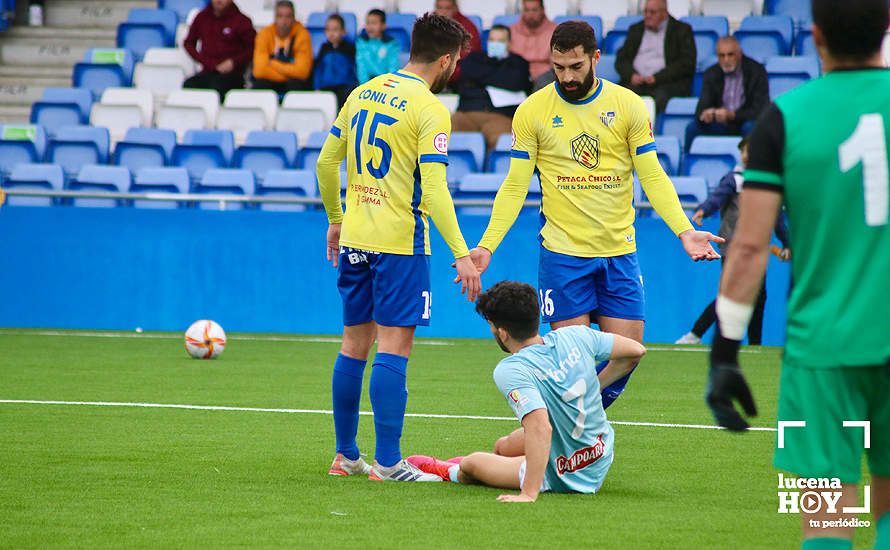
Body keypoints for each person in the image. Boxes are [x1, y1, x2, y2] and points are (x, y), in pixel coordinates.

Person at [705, 1, 889, 549]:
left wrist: (725, 354)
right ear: (885, 30)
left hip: (822, 348)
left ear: (815, 36)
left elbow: (751, 245)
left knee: (828, 522)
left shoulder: (784, 118)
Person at [469, 21, 722, 410]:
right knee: (577, 366)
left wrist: (684, 230)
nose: (567, 76)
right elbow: (515, 184)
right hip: (563, 255)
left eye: (575, 66)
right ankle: (568, 439)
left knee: (631, 352)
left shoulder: (628, 105)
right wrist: (487, 244)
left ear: (595, 58)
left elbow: (652, 174)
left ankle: (570, 419)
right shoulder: (533, 111)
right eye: (558, 67)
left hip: (618, 252)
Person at [317, 13, 481, 482]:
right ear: (446, 60)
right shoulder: (430, 108)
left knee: (353, 345)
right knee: (394, 347)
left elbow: (327, 163)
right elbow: (433, 191)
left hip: (355, 238)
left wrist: (335, 219)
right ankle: (388, 463)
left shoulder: (362, 91)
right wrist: (461, 253)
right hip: (400, 245)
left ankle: (346, 456)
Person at [407, 281, 646, 501]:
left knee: (472, 463)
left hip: (566, 474)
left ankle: (450, 470)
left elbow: (541, 427)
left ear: (502, 332)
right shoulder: (574, 335)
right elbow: (635, 350)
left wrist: (528, 493)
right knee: (503, 446)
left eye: (491, 325)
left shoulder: (512, 368)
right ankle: (503, 466)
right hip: (600, 453)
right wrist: (595, 385)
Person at [675, 138, 789, 346]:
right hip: (733, 247)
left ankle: (755, 345)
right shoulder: (734, 180)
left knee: (758, 296)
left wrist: (786, 242)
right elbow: (717, 198)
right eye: (745, 150)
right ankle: (696, 334)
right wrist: (704, 210)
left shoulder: (768, 183)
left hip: (758, 248)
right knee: (733, 294)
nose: (748, 154)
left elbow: (777, 218)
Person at [452, 25, 530, 151]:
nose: (495, 44)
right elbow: (466, 73)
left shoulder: (519, 62)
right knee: (446, 134)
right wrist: (500, 76)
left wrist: (480, 79)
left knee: (505, 145)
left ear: (509, 44)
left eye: (500, 41)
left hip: (500, 116)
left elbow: (516, 81)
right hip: (466, 113)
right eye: (492, 40)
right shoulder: (473, 58)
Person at [685, 36, 769, 150]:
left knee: (751, 127)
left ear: (740, 54)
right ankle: (688, 165)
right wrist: (707, 114)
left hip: (745, 122)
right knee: (693, 128)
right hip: (720, 124)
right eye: (722, 56)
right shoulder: (711, 73)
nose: (726, 60)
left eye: (730, 55)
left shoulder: (756, 71)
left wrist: (733, 115)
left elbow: (760, 110)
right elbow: (701, 108)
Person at [615, 0, 695, 113]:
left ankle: (650, 129)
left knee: (659, 99)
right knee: (617, 96)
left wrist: (657, 78)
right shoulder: (636, 29)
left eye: (652, 12)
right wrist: (631, 75)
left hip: (666, 83)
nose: (648, 16)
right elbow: (621, 59)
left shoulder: (681, 30)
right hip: (637, 82)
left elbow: (686, 63)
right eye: (645, 11)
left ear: (664, 13)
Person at [182, 0, 256, 101]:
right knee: (189, 85)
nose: (219, 0)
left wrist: (233, 62)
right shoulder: (202, 17)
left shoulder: (242, 21)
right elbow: (188, 43)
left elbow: (252, 48)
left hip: (233, 75)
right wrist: (205, 61)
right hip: (207, 71)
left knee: (216, 87)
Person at [251, 0, 312, 95]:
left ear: (294, 18)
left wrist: (273, 64)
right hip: (273, 80)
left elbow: (302, 72)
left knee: (297, 85)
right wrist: (289, 72)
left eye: (288, 16)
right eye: (280, 16)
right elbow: (259, 71)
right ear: (275, 18)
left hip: (292, 82)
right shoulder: (264, 34)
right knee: (259, 85)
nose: (284, 21)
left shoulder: (302, 35)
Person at [314, 14, 358, 108]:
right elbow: (319, 69)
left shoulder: (350, 48)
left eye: (335, 29)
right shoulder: (324, 48)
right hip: (326, 86)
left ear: (343, 32)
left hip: (344, 87)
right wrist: (317, 86)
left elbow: (354, 69)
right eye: (328, 29)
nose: (331, 33)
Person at [433, 0, 482, 86]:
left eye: (447, 8)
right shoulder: (428, 25)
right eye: (440, 8)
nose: (443, 12)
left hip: (458, 70)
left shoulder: (467, 26)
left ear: (455, 8)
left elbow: (469, 53)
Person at [509, 0, 558, 81]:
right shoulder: (511, 31)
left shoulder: (555, 31)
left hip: (544, 78)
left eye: (534, 10)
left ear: (542, 10)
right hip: (516, 77)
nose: (530, 14)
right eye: (527, 10)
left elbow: (557, 64)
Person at [356, 9, 401, 85]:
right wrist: (365, 86)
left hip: (385, 83)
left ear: (383, 26)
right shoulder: (361, 42)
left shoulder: (391, 44)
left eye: (374, 23)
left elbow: (393, 67)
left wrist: (388, 86)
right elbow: (361, 68)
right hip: (367, 83)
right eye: (368, 23)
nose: (370, 26)